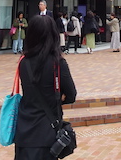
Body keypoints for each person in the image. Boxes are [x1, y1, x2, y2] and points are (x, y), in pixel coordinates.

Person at [14, 15, 77, 159]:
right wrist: (56, 99)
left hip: (24, 130)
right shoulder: (58, 63)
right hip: (47, 132)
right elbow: (71, 95)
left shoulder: (23, 62)